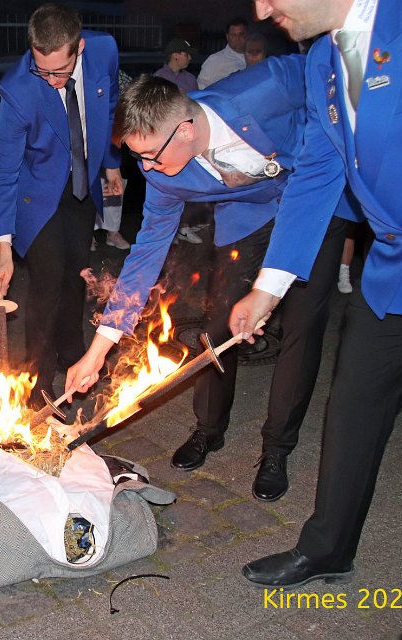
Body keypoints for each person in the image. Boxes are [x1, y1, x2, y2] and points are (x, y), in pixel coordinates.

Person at [230, 1, 402, 637]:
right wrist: (268, 288)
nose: (262, 10)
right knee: (352, 410)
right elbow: (319, 170)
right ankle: (328, 547)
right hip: (391, 274)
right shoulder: (321, 61)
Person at [66, 61, 357, 502]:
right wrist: (97, 352)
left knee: (302, 327)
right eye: (138, 157)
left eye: (152, 155)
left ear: (184, 130)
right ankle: (208, 428)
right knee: (218, 325)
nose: (147, 168)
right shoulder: (159, 172)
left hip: (316, 209)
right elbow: (145, 255)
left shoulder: (271, 86)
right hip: (249, 219)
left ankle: (277, 446)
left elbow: (339, 77)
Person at [0, 3, 123, 407]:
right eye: (41, 70)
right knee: (47, 284)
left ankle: (73, 354)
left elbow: (110, 106)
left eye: (58, 72)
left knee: (75, 275)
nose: (49, 80)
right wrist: (3, 249)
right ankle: (39, 384)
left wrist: (111, 163)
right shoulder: (18, 91)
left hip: (82, 185)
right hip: (37, 194)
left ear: (79, 48)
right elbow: (1, 173)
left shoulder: (104, 51)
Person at [153, 38, 203, 246]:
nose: (189, 58)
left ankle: (184, 226)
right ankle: (168, 231)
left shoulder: (190, 79)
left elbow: (196, 107)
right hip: (165, 143)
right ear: (176, 54)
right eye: (186, 54)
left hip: (185, 141)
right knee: (166, 188)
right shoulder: (158, 78)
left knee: (186, 185)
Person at [197, 18, 247, 89]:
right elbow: (201, 89)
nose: (237, 38)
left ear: (247, 35)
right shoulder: (214, 61)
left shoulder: (258, 58)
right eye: (233, 35)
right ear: (227, 37)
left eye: (241, 34)